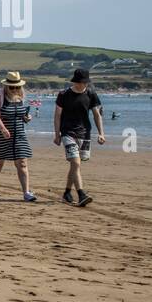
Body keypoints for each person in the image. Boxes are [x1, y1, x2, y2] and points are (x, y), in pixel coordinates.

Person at [53, 68, 105, 207]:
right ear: (75, 82)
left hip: (85, 134)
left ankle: (67, 192)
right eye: (81, 82)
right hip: (68, 133)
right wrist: (57, 134)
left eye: (85, 82)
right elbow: (57, 115)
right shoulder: (64, 94)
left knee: (75, 165)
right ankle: (81, 194)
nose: (83, 85)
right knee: (76, 163)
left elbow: (96, 115)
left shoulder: (91, 94)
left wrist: (101, 133)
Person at [0, 71, 36, 202]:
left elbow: (21, 115)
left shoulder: (20, 96)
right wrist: (3, 129)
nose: (15, 89)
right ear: (6, 86)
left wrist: (27, 118)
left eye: (17, 87)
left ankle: (26, 192)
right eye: (12, 87)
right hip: (1, 135)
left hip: (19, 134)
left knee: (22, 163)